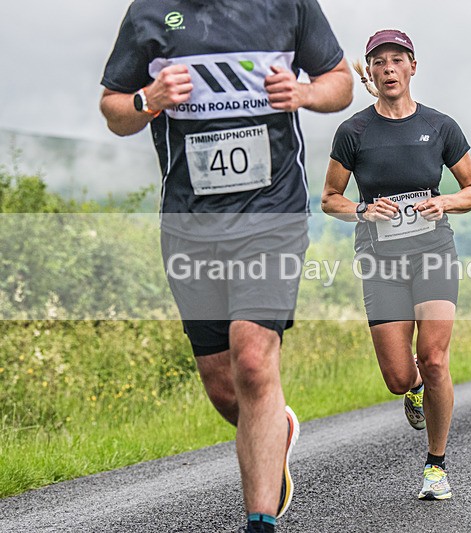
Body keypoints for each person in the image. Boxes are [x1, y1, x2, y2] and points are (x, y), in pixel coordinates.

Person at [100, 2, 353, 532]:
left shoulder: (287, 5)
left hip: (272, 216)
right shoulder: (150, 13)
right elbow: (113, 110)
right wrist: (149, 99)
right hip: (190, 225)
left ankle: (259, 522)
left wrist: (305, 93)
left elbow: (340, 81)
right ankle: (273, 429)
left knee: (254, 360)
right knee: (223, 386)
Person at [321, 29, 471, 500]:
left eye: (397, 59)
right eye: (379, 61)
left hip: (433, 251)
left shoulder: (440, 125)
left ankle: (436, 466)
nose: (388, 68)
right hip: (379, 258)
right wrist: (361, 209)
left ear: (413, 67)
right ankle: (413, 390)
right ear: (370, 72)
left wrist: (446, 202)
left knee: (434, 358)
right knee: (398, 377)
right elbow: (330, 198)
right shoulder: (353, 132)